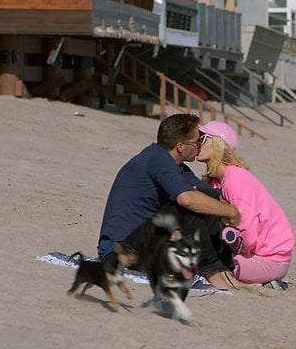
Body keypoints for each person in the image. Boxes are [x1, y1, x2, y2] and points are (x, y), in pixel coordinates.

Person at [97, 113, 241, 284]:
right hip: (120, 252)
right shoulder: (157, 159)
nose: (199, 147)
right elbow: (187, 199)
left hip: (144, 245)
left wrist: (227, 207)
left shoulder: (176, 166)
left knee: (206, 199)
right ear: (180, 146)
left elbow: (211, 195)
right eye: (197, 142)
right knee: (187, 208)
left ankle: (223, 266)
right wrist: (230, 211)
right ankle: (213, 272)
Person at [195, 120, 294, 287]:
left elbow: (246, 237)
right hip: (252, 255)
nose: (197, 143)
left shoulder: (236, 179)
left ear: (219, 144)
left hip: (269, 259)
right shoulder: (215, 181)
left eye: (203, 138)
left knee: (199, 259)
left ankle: (253, 284)